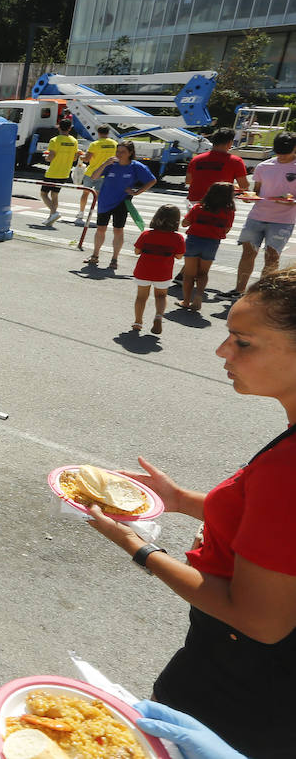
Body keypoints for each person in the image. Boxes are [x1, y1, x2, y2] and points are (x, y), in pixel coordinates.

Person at [84, 266, 296, 758]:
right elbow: (266, 525)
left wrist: (139, 549)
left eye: (243, 342)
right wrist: (179, 500)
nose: (223, 352)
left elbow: (260, 621)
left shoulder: (288, 469)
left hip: (242, 685)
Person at [225, 131, 296, 299]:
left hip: (283, 221)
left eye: (286, 152)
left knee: (272, 257)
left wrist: (292, 201)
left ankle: (264, 294)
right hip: (256, 216)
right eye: (279, 151)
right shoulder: (264, 166)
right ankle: (238, 290)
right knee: (248, 253)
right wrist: (248, 197)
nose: (282, 156)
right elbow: (256, 192)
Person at [86, 141, 157, 270]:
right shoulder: (111, 164)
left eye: (123, 152)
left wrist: (137, 192)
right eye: (117, 151)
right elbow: (94, 177)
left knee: (118, 230)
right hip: (105, 201)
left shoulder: (136, 166)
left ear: (130, 153)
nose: (119, 154)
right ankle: (95, 255)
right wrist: (105, 163)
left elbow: (152, 180)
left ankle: (114, 259)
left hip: (122, 202)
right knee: (100, 229)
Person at [180, 183, 236, 312]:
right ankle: (199, 295)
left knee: (189, 274)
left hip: (194, 240)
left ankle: (186, 301)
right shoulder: (229, 212)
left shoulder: (199, 207)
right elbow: (226, 229)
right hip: (212, 243)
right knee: (203, 273)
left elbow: (184, 223)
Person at [131, 204, 185, 334]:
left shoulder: (147, 234)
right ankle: (158, 316)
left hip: (143, 270)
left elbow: (137, 251)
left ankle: (138, 322)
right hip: (163, 272)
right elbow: (179, 256)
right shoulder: (178, 238)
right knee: (161, 296)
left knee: (141, 297)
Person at [185, 127, 249, 205]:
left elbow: (188, 181)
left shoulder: (196, 159)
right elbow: (243, 185)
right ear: (230, 143)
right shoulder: (236, 161)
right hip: (220, 203)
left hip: (195, 201)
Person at [75, 125, 118, 225]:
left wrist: (81, 156)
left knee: (85, 193)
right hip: (105, 174)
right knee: (99, 196)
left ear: (98, 133)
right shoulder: (114, 144)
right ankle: (98, 215)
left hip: (91, 173)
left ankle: (81, 214)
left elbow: (87, 159)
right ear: (108, 133)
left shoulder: (95, 144)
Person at [40, 117, 79, 225]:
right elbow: (75, 158)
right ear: (70, 128)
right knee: (55, 195)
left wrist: (46, 157)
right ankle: (51, 218)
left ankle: (54, 212)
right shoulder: (74, 141)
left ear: (58, 127)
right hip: (65, 172)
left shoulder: (54, 140)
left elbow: (51, 157)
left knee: (43, 193)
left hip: (53, 172)